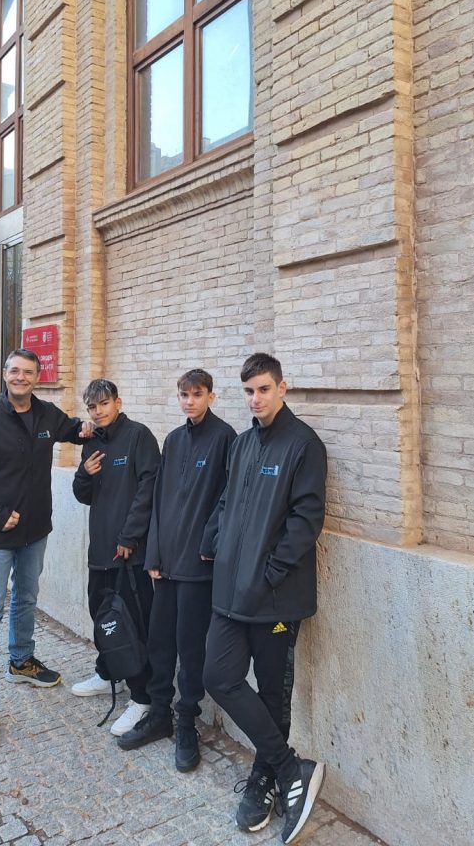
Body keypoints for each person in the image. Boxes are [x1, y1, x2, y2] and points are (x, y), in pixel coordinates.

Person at [202, 353, 327, 845]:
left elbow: (306, 519)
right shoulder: (242, 443)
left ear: (282, 388)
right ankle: (291, 767)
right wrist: (214, 541)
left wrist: (270, 573)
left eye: (263, 389)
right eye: (249, 391)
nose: (255, 399)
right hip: (229, 593)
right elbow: (227, 500)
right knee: (219, 676)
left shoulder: (304, 444)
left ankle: (264, 778)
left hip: (275, 598)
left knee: (274, 691)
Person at [0, 348, 94, 744]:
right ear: (5, 374)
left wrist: (97, 424)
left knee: (27, 599)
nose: (20, 377)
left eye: (28, 372)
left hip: (35, 531)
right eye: (14, 371)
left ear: (37, 377)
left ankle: (21, 660)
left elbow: (75, 429)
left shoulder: (47, 415)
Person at [117, 368, 236, 772]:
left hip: (198, 568)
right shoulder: (172, 439)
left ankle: (187, 722)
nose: (189, 401)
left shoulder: (225, 439)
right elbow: (160, 500)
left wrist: (209, 547)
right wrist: (153, 554)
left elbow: (226, 501)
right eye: (184, 395)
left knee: (191, 647)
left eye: (197, 394)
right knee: (160, 641)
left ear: (211, 397)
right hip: (165, 565)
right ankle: (160, 715)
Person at [71, 378, 161, 735]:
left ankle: (142, 697)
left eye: (104, 404)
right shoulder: (91, 442)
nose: (98, 411)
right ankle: (108, 671)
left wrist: (130, 536)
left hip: (129, 553)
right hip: (100, 550)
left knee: (133, 624)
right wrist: (84, 473)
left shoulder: (139, 436)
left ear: (118, 403)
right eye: (92, 407)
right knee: (102, 615)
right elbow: (83, 495)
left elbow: (149, 490)